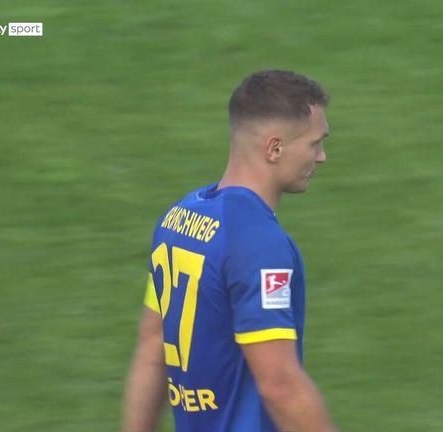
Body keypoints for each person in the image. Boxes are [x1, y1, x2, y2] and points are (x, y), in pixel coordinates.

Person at [121, 69, 337, 432]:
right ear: (275, 148)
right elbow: (280, 385)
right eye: (315, 144)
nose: (321, 157)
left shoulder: (178, 217)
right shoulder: (258, 243)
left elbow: (153, 343)